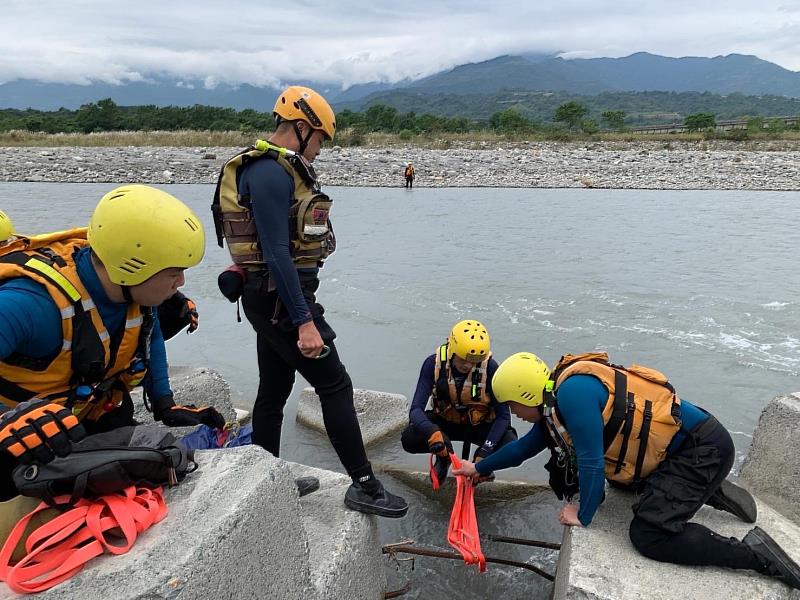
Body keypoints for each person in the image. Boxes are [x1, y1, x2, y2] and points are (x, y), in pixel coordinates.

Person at [212, 85, 407, 518]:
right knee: (334, 385)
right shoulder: (269, 172)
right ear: (301, 129)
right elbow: (277, 251)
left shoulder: (276, 169)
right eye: (319, 139)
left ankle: (265, 481)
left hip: (271, 300)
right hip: (282, 301)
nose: (319, 149)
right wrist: (304, 321)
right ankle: (365, 485)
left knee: (273, 392)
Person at [453, 351, 800, 590]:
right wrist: (476, 467)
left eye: (513, 406)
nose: (513, 414)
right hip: (681, 452)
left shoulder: (573, 397)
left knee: (649, 536)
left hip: (702, 450)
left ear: (525, 393)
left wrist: (583, 513)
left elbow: (590, 462)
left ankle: (755, 555)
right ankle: (707, 490)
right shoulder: (556, 397)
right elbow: (523, 449)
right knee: (623, 484)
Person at [0, 185, 225, 501]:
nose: (181, 283)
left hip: (84, 418)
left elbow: (149, 330)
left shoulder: (130, 292)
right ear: (132, 267)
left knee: (162, 457)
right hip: (18, 439)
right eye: (174, 272)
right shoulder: (29, 305)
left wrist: (164, 401)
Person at [400, 319, 516, 486]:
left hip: (479, 425)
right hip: (446, 423)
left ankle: (483, 468)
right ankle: (444, 457)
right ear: (452, 350)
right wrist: (433, 432)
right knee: (409, 438)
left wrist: (484, 454)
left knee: (510, 444)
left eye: (474, 360)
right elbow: (416, 410)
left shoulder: (490, 368)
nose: (468, 365)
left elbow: (504, 417)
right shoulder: (432, 364)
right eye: (463, 359)